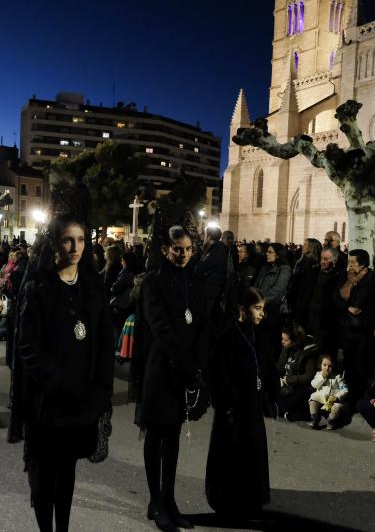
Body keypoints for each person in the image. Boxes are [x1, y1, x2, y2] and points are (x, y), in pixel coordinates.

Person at [12, 182, 114, 532]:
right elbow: (27, 346)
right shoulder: (39, 286)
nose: (75, 247)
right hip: (48, 402)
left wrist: (99, 386)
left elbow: (103, 339)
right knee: (44, 477)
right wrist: (60, 382)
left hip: (81, 401)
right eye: (68, 240)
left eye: (82, 240)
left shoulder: (92, 287)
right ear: (55, 242)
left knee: (68, 472)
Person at [130, 225, 209, 531]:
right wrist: (188, 364)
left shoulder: (195, 278)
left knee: (173, 436)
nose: (184, 254)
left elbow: (201, 320)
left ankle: (170, 498)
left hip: (185, 368)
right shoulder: (154, 282)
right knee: (156, 434)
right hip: (162, 367)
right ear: (165, 249)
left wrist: (197, 364)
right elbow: (160, 327)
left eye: (189, 249)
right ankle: (155, 501)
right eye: (178, 248)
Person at [206, 287, 279, 518]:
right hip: (234, 406)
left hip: (253, 404)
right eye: (257, 308)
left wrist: (271, 393)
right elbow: (221, 373)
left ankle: (251, 500)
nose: (261, 314)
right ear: (242, 309)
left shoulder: (259, 333)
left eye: (263, 309)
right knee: (231, 454)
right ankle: (226, 501)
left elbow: (266, 365)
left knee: (253, 452)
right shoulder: (228, 335)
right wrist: (229, 400)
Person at [334, 249, 375, 400]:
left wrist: (347, 303)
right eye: (349, 261)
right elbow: (335, 299)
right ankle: (350, 394)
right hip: (347, 328)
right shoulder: (346, 277)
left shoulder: (371, 279)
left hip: (363, 329)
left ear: (363, 264)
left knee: (361, 365)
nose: (350, 265)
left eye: (353, 262)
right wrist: (347, 307)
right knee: (348, 363)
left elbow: (359, 303)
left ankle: (362, 396)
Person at [292, 247, 342, 351]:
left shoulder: (339, 277)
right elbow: (302, 296)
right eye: (322, 258)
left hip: (325, 323)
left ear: (334, 260)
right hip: (308, 319)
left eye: (326, 259)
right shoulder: (312, 273)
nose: (323, 262)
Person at [276, 322, 319, 421]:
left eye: (285, 340)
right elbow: (280, 366)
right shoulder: (287, 347)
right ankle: (288, 411)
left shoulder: (308, 353)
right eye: (282, 338)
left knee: (278, 407)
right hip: (286, 385)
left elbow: (309, 376)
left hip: (300, 388)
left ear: (295, 341)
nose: (282, 342)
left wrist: (288, 380)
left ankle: (297, 413)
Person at [253, 242, 291, 338]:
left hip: (274, 312)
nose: (267, 254)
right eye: (267, 252)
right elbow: (256, 285)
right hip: (260, 309)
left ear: (278, 255)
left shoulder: (285, 269)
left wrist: (261, 302)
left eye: (270, 252)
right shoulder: (265, 268)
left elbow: (278, 290)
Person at [308, 354, 348, 429]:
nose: (327, 368)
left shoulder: (338, 377)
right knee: (312, 400)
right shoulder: (318, 374)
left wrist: (337, 396)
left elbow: (345, 389)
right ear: (320, 365)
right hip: (320, 397)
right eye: (324, 365)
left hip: (333, 399)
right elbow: (314, 384)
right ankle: (314, 418)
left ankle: (331, 420)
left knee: (336, 408)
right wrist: (322, 377)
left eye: (330, 366)